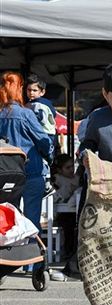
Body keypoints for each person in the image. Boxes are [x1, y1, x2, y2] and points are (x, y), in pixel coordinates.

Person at [0, 72, 54, 247]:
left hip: (4, 174)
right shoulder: (26, 114)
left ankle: (8, 261)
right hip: (31, 172)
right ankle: (33, 266)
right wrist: (50, 157)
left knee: (7, 222)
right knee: (31, 221)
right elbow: (44, 142)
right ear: (20, 89)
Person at [51, 154, 80, 263]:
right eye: (68, 167)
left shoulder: (77, 179)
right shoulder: (57, 180)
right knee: (69, 226)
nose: (72, 170)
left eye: (72, 166)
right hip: (61, 213)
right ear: (60, 170)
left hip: (72, 211)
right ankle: (68, 251)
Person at [25, 73, 58, 152]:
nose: (31, 93)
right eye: (29, 90)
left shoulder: (39, 105)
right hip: (45, 135)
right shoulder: (31, 103)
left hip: (44, 135)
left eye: (34, 90)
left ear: (42, 92)